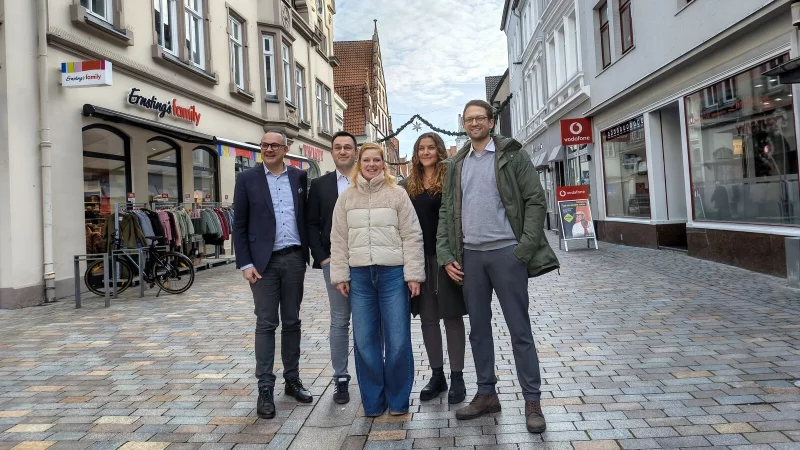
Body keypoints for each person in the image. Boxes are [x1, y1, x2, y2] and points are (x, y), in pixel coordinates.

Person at [437, 100, 560, 433]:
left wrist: (523, 249)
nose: (474, 123)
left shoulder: (512, 156)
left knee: (519, 330)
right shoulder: (457, 163)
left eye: (480, 118)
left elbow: (536, 200)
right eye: (468, 119)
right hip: (470, 258)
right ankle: (487, 393)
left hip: (507, 253)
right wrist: (447, 254)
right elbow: (447, 212)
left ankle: (532, 400)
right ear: (463, 124)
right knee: (478, 329)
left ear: (491, 123)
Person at [329, 142, 425, 416]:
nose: (372, 164)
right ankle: (372, 401)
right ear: (360, 163)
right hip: (359, 277)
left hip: (393, 275)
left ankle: (397, 400)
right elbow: (338, 238)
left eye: (377, 160)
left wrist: (414, 274)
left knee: (397, 341)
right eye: (367, 160)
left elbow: (412, 235)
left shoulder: (397, 195)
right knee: (364, 341)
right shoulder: (347, 198)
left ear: (384, 163)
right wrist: (340, 274)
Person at [232, 129, 313, 420]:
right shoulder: (247, 179)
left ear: (285, 148)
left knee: (292, 321)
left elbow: (306, 217)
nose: (269, 149)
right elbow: (238, 224)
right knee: (266, 324)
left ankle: (292, 380)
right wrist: (245, 263)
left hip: (293, 259)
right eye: (264, 145)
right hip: (262, 265)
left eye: (274, 145)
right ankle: (265, 387)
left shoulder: (299, 177)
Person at [401, 132, 467, 404]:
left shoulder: (451, 179)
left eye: (430, 148)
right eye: (421, 148)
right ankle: (437, 375)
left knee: (451, 316)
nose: (426, 152)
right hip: (420, 258)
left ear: (439, 150)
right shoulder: (408, 185)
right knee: (428, 319)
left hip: (447, 258)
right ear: (416, 153)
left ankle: (458, 376)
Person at [307, 131, 358, 404]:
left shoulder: (368, 179)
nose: (342, 151)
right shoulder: (320, 185)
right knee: (340, 320)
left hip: (366, 261)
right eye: (337, 147)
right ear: (332, 152)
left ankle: (370, 375)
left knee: (367, 321)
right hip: (334, 261)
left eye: (347, 147)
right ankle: (341, 378)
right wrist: (322, 257)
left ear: (355, 152)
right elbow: (312, 224)